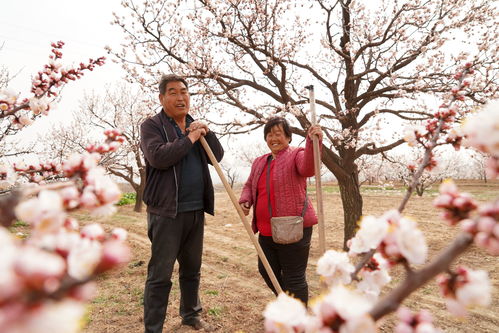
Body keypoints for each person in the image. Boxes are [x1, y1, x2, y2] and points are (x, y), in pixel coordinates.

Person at [140, 74, 223, 333]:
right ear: (162, 97)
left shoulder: (192, 125)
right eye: (173, 92)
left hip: (195, 210)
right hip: (167, 212)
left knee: (191, 269)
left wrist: (205, 133)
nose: (180, 97)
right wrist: (190, 138)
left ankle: (191, 315)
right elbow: (159, 157)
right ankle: (153, 327)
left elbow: (217, 156)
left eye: (184, 92)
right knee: (160, 275)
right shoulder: (152, 126)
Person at [238, 117, 322, 305]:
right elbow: (250, 184)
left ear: (289, 137)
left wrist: (312, 141)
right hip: (266, 231)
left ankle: (298, 320)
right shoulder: (260, 161)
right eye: (269, 134)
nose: (273, 138)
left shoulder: (296, 154)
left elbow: (308, 168)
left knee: (293, 277)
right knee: (267, 270)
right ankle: (288, 306)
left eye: (278, 134)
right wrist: (245, 201)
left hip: (293, 228)